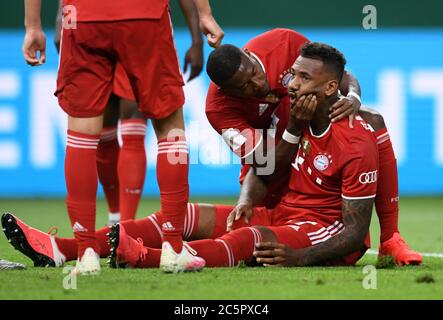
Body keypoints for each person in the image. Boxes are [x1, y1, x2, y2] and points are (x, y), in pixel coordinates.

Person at [2, 43, 382, 268]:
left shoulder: (353, 138)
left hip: (319, 228)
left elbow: (354, 232)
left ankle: (147, 257)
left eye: (301, 79)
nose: (289, 84)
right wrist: (249, 196)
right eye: (292, 76)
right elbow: (263, 163)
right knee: (180, 216)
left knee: (250, 237)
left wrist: (299, 258)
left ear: (332, 87)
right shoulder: (284, 115)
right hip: (281, 207)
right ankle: (60, 248)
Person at [22, 0, 223, 274]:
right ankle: (173, 248)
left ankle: (86, 252)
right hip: (144, 14)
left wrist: (33, 25)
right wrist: (205, 14)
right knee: (170, 130)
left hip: (83, 17)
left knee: (81, 137)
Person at [205, 29, 422, 265]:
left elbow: (338, 75)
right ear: (227, 92)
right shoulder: (219, 108)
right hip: (270, 159)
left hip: (300, 132)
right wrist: (293, 129)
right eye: (244, 87)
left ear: (249, 54)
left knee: (372, 119)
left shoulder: (283, 43)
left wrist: (352, 98)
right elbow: (264, 165)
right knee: (250, 238)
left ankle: (391, 238)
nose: (257, 85)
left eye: (254, 74)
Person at [54, 0, 204, 225]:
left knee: (123, 124)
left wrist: (51, 21)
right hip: (140, 20)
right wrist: (200, 30)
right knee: (105, 132)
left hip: (88, 20)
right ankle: (118, 220)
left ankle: (122, 224)